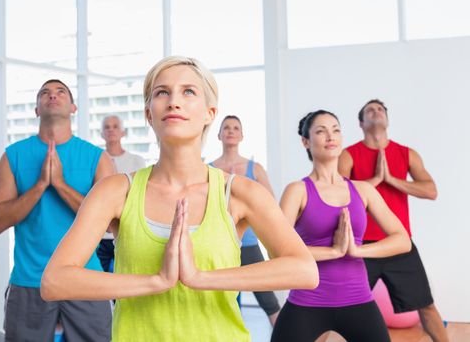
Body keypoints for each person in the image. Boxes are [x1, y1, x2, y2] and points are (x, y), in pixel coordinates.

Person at [40, 56, 318, 342]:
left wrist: (199, 278)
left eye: (188, 91)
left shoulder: (239, 193)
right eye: (162, 92)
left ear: (210, 113)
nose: (174, 101)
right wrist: (156, 281)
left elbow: (304, 270)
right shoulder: (115, 191)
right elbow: (54, 281)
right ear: (149, 113)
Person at [0, 79, 115, 342]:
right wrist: (40, 186)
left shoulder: (96, 157)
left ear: (73, 107)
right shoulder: (13, 156)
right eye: (44, 92)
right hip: (29, 279)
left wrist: (60, 185)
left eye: (60, 92)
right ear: (36, 109)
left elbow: (108, 224)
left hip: (86, 280)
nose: (52, 96)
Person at [271, 110, 411, 342]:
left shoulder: (363, 190)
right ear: (305, 141)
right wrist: (333, 251)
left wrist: (357, 251)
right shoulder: (297, 191)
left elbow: (402, 240)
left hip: (358, 299)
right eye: (321, 131)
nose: (330, 136)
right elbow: (278, 251)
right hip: (307, 301)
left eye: (335, 129)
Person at [339, 99, 448, 342]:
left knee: (426, 307)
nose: (376, 112)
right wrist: (376, 180)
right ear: (361, 123)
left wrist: (391, 179)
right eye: (370, 110)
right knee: (336, 307)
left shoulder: (406, 154)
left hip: (400, 244)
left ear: (387, 120)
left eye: (380, 109)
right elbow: (338, 196)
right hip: (362, 246)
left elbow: (431, 190)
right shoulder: (349, 155)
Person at [210, 115, 280, 326]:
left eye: (235, 128)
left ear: (242, 135)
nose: (231, 131)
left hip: (248, 244)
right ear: (219, 134)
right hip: (218, 244)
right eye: (226, 128)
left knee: (269, 301)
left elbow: (270, 204)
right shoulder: (209, 168)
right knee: (223, 303)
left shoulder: (255, 168)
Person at [97, 115, 145, 272]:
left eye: (115, 126)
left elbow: (138, 195)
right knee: (101, 284)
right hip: (101, 235)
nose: (111, 130)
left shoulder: (136, 161)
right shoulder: (96, 160)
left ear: (123, 132)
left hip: (127, 232)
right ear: (101, 133)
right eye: (107, 127)